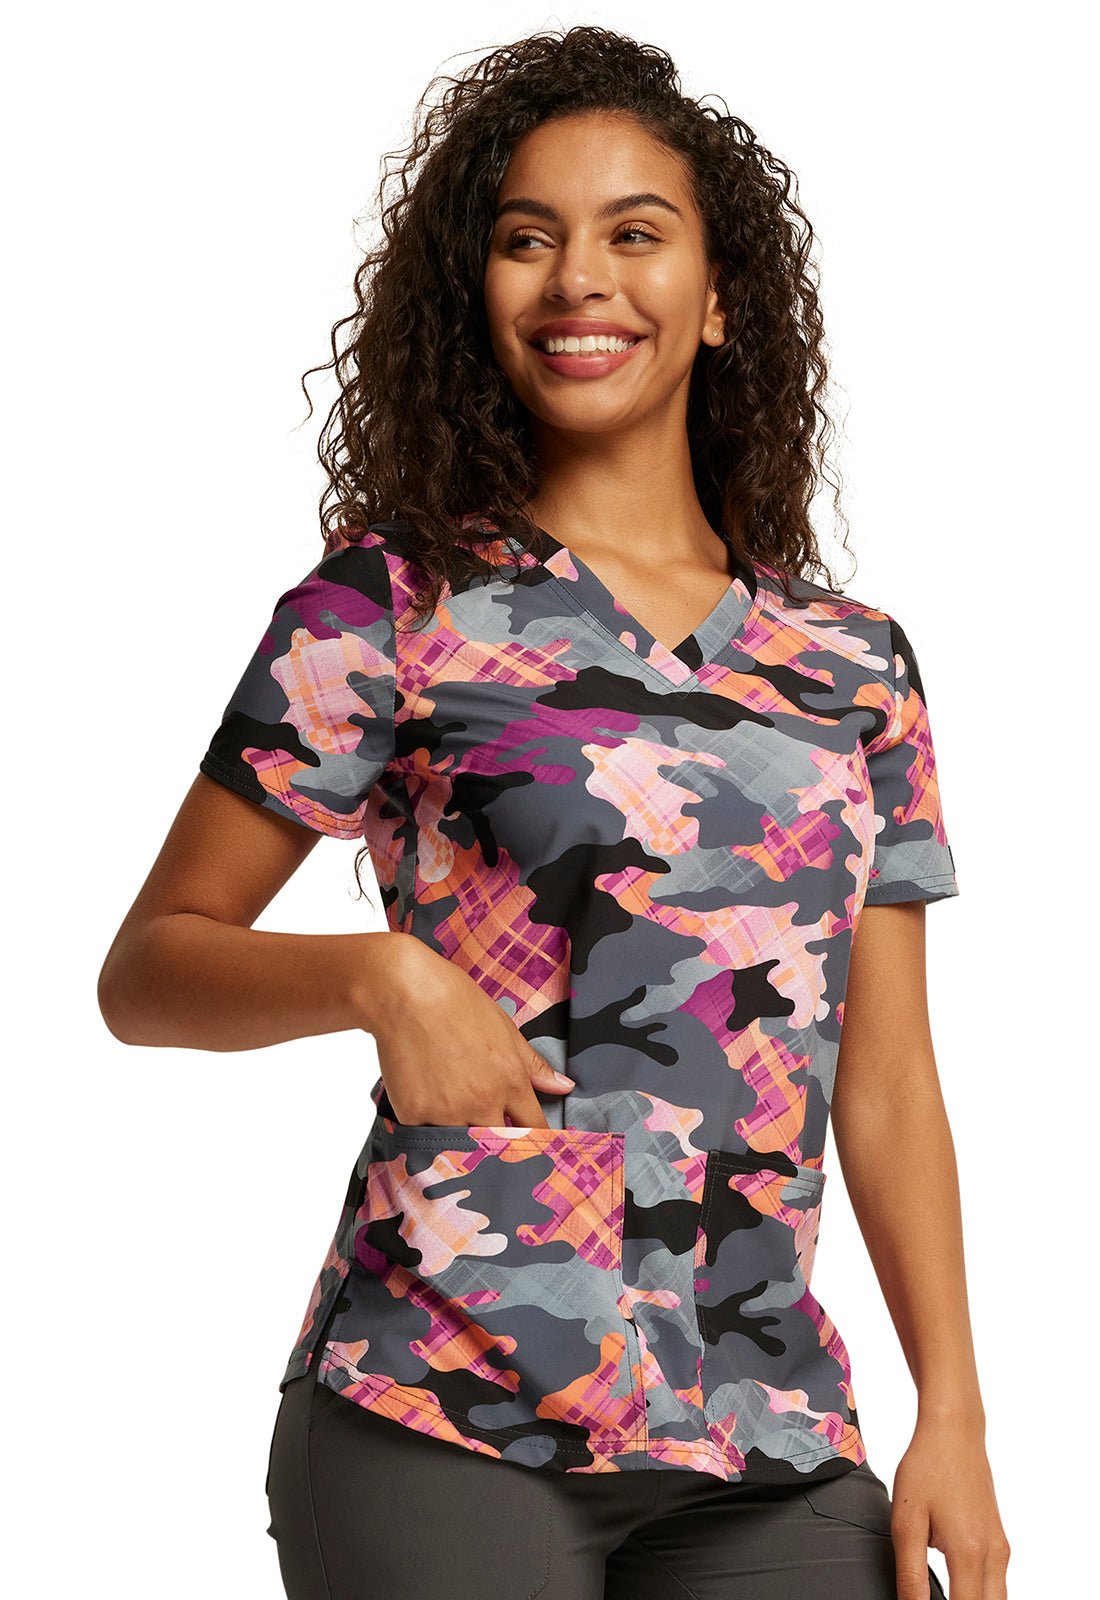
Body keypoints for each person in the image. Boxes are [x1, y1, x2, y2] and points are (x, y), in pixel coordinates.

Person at [98, 24, 1010, 1600]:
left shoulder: (852, 665)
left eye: (634, 234)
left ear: (720, 297)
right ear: (480, 293)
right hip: (444, 1399)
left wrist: (957, 1415)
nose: (580, 278)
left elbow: (887, 1082)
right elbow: (149, 971)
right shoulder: (385, 606)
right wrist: (382, 978)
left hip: (768, 1429)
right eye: (528, 239)